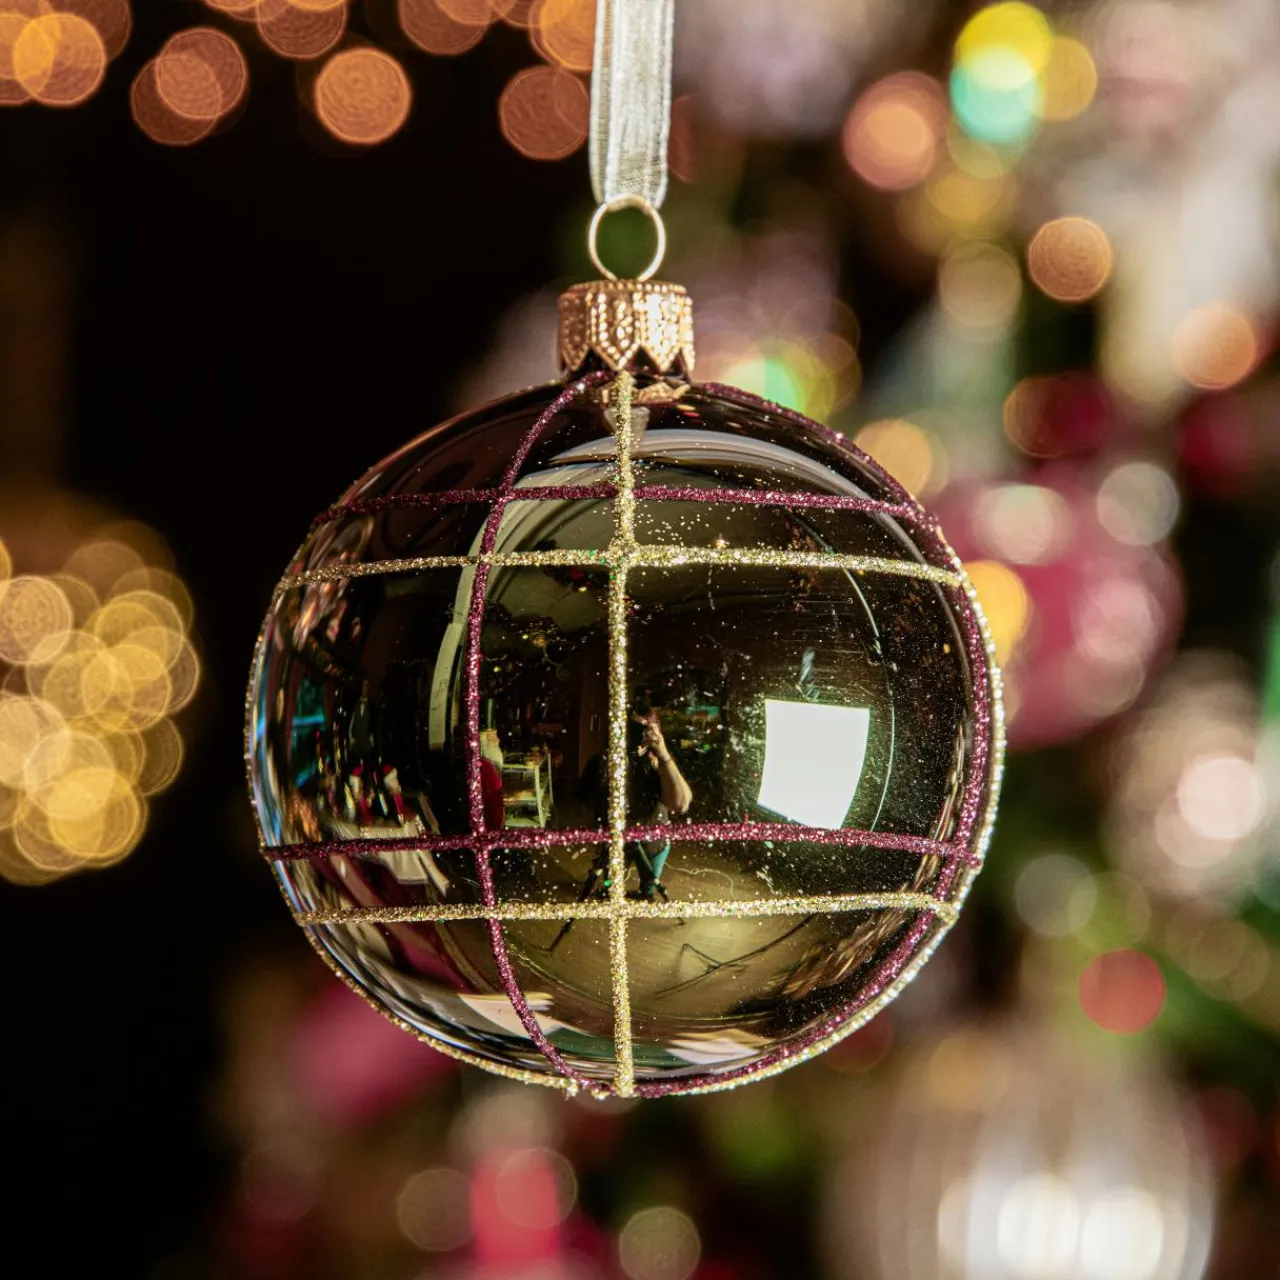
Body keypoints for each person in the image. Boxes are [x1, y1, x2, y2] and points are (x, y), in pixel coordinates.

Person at [576, 706, 693, 902]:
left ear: (657, 730)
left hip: (654, 841)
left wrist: (662, 752)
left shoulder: (659, 763)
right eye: (635, 728)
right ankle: (609, 891)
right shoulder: (603, 761)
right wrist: (598, 836)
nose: (640, 734)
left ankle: (646, 892)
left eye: (647, 728)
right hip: (616, 841)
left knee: (650, 879)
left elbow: (681, 804)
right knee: (611, 884)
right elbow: (587, 805)